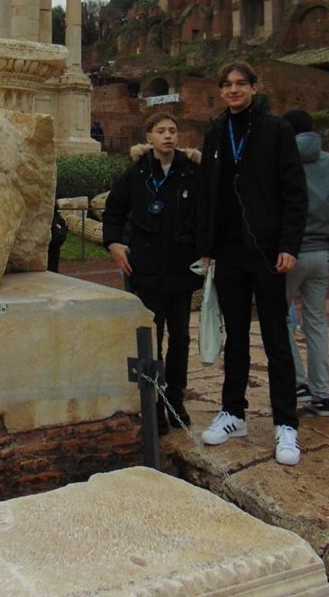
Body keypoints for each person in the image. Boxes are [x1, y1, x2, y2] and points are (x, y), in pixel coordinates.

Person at [197, 62, 307, 466]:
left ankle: (286, 423)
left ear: (254, 88)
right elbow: (207, 192)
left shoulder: (277, 131)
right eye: (227, 84)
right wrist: (205, 245)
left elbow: (294, 192)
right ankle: (234, 413)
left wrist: (289, 244)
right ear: (220, 91)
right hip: (229, 251)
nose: (233, 90)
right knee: (237, 338)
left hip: (266, 250)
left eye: (241, 83)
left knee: (276, 339)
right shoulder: (215, 132)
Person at [103, 112, 201, 433]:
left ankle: (176, 398)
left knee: (181, 338)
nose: (168, 136)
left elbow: (207, 215)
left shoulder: (191, 173)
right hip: (146, 269)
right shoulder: (136, 174)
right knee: (150, 339)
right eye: (161, 131)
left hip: (180, 268)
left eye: (173, 130)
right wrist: (114, 243)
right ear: (149, 137)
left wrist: (207, 250)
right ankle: (154, 402)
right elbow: (114, 210)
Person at [281, 109, 329, 417]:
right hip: (322, 253)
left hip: (288, 252)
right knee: (316, 323)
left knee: (280, 319)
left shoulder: (281, 160)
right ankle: (322, 396)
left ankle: (298, 382)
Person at [47, 205, 68, 273]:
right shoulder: (60, 218)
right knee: (54, 261)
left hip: (50, 243)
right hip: (57, 243)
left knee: (50, 261)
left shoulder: (49, 218)